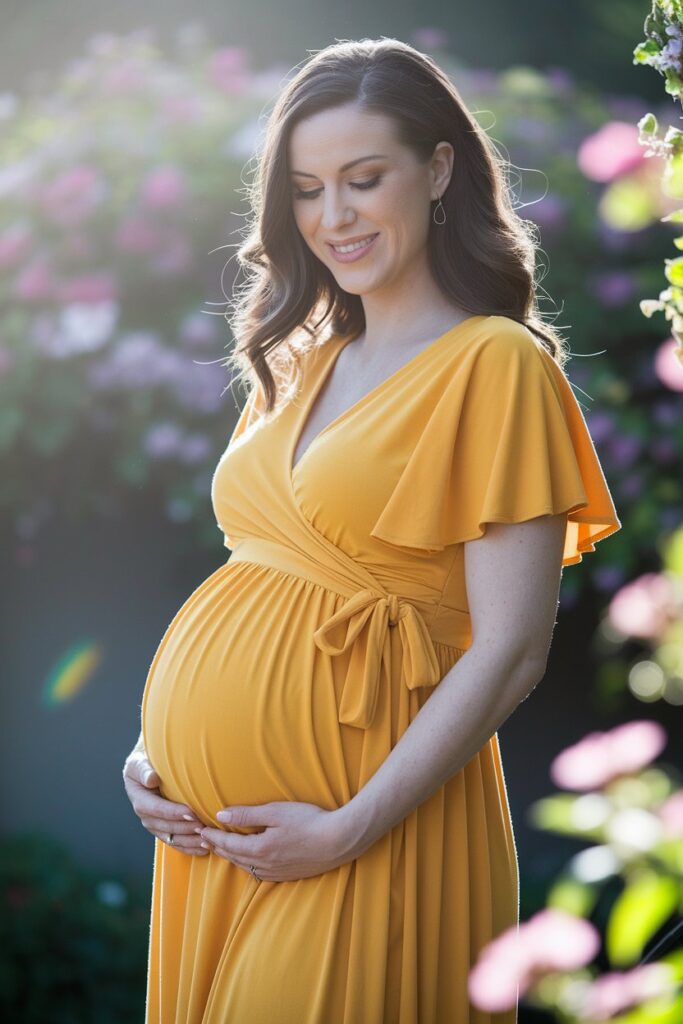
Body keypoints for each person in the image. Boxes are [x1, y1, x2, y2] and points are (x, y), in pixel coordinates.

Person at [122, 37, 621, 1023]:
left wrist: (350, 828)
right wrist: (150, 751)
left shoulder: (494, 363)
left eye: (362, 179)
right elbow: (256, 575)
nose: (333, 217)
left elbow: (511, 647)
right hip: (214, 845)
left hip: (366, 834)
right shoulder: (299, 359)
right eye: (306, 190)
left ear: (438, 171)